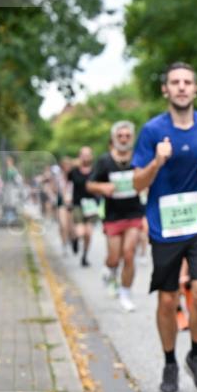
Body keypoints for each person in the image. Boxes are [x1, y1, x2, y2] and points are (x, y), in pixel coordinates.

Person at [132, 62, 197, 392]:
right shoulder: (151, 131)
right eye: (174, 82)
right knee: (167, 300)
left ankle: (195, 354)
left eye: (187, 82)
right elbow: (137, 182)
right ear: (165, 89)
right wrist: (156, 162)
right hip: (164, 226)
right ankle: (169, 362)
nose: (180, 87)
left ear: (195, 89)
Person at [88, 121, 146, 312]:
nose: (123, 139)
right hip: (113, 216)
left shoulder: (139, 158)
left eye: (127, 136)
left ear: (132, 138)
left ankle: (126, 293)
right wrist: (102, 187)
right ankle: (110, 270)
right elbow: (90, 185)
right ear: (114, 138)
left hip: (134, 214)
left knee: (129, 254)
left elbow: (148, 179)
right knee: (114, 257)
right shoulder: (105, 161)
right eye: (120, 136)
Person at [68, 147, 99, 266]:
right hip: (78, 204)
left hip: (92, 205)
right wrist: (67, 198)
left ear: (91, 156)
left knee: (89, 233)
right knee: (81, 232)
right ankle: (74, 239)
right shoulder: (74, 171)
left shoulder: (96, 170)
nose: (85, 157)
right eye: (83, 154)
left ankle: (84, 256)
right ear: (79, 156)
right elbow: (68, 184)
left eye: (88, 155)